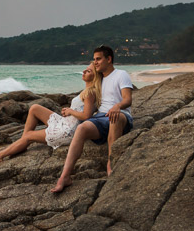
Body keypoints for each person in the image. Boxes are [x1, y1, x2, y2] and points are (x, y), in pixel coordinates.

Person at [51, 45, 133, 193]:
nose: (95, 62)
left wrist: (117, 106)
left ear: (109, 59)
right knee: (81, 128)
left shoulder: (121, 74)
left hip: (121, 116)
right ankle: (65, 177)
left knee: (114, 117)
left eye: (99, 59)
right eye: (94, 59)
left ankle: (111, 164)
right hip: (101, 117)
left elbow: (128, 100)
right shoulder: (99, 78)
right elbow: (89, 88)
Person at [0, 64, 102, 162]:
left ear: (95, 76)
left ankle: (0, 155)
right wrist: (69, 111)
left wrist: (70, 111)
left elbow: (86, 116)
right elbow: (82, 110)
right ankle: (23, 143)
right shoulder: (87, 91)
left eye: (88, 71)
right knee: (34, 108)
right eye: (85, 69)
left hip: (68, 131)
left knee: (28, 135)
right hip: (64, 122)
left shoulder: (90, 92)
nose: (84, 71)